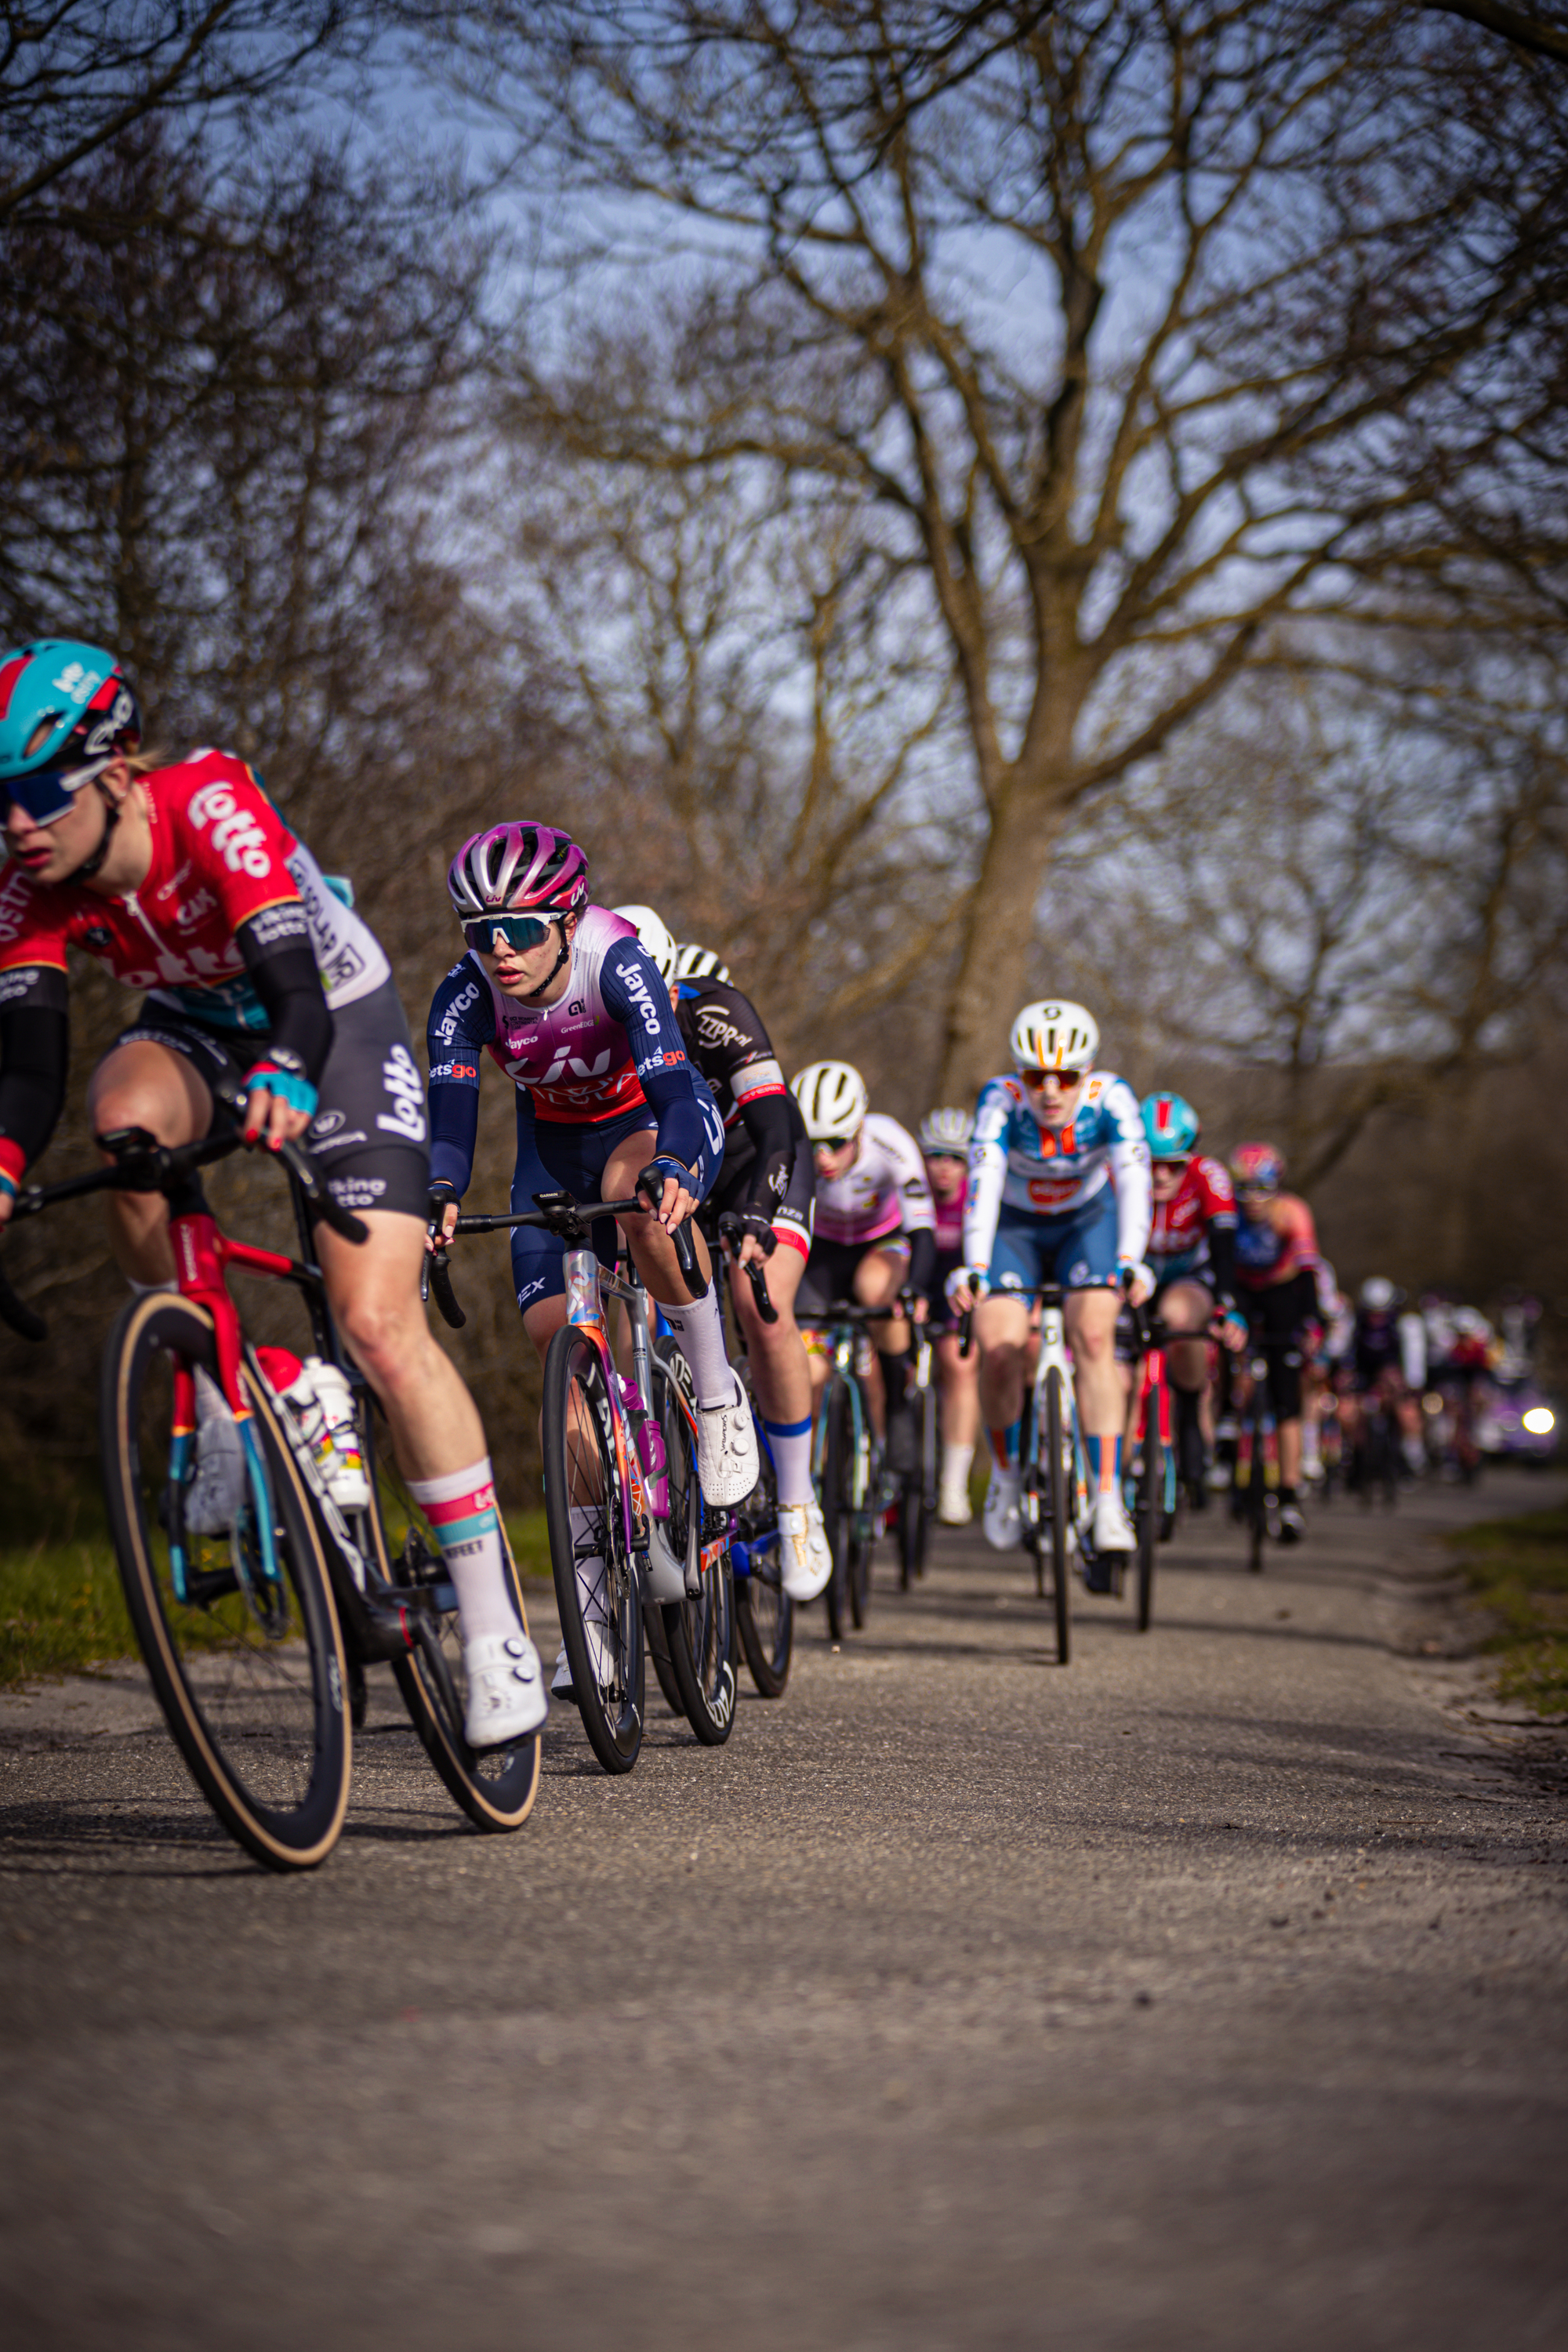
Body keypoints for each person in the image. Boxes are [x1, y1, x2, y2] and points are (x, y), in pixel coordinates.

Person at [0, 638, 547, 1748]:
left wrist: (288, 1070)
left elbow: (293, 984)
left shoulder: (210, 800)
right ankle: (218, 1398)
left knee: (378, 1323)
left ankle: (494, 1630)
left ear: (113, 775)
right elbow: (27, 1065)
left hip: (328, 1021)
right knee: (122, 1113)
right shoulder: (27, 883)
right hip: (196, 1035)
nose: (17, 824)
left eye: (36, 795)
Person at [424, 829, 757, 1698]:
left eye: (522, 928)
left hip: (649, 1124)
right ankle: (590, 1616)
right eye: (480, 929)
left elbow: (676, 1081)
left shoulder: (614, 960)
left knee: (641, 1209)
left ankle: (718, 1398)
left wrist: (677, 1163)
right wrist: (440, 1193)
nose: (499, 948)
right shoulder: (464, 995)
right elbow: (449, 1111)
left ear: (567, 921)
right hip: (550, 1150)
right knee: (558, 1348)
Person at [613, 907, 829, 1602]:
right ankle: (651, 1490)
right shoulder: (594, 1030)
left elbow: (774, 1129)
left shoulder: (714, 1011)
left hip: (756, 1169)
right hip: (673, 1178)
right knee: (633, 1317)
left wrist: (758, 1216)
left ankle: (797, 1504)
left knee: (756, 1300)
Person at [950, 1000, 1152, 1581]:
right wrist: (976, 1266)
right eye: (1038, 1076)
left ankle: (1109, 1500)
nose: (1052, 1091)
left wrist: (1130, 1262)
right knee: (998, 1348)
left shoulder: (1111, 1099)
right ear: (1022, 1075)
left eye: (1066, 1077)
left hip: (1087, 1226)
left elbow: (1135, 1182)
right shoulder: (1000, 1100)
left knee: (1095, 1335)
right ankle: (1009, 1475)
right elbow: (982, 1184)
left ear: (1086, 1074)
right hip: (1013, 1228)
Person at [789, 1061, 937, 1471]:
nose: (822, 1157)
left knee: (879, 1292)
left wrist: (916, 1287)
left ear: (858, 1129)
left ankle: (895, 1406)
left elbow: (922, 1227)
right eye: (813, 1142)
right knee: (809, 1371)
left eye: (835, 1143)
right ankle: (810, 1475)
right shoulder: (792, 1152)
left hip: (880, 1242)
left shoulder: (889, 1141)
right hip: (822, 1249)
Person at [1137, 1091, 1246, 1504]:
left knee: (1178, 1317)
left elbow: (1224, 1248)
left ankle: (1189, 1416)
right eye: (1151, 1164)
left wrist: (1227, 1308)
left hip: (1188, 1277)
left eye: (1173, 1166)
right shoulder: (1117, 1174)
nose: (1161, 1176)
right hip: (1138, 1276)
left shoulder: (1210, 1176)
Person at [1228, 1141, 1319, 1544]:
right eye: (1244, 1190)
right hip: (1242, 1291)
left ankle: (1289, 1495)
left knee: (1287, 1402)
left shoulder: (1292, 1212)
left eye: (1262, 1190)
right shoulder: (1227, 1214)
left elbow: (1307, 1271)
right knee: (1226, 1353)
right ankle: (1227, 1436)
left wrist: (1311, 1324)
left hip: (1283, 1291)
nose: (1253, 1200)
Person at [916, 1106, 982, 1524]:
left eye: (956, 1158)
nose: (945, 1168)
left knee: (960, 1367)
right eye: (937, 1156)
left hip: (958, 1296)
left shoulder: (977, 1197)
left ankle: (953, 1484)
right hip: (917, 1286)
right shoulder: (909, 1188)